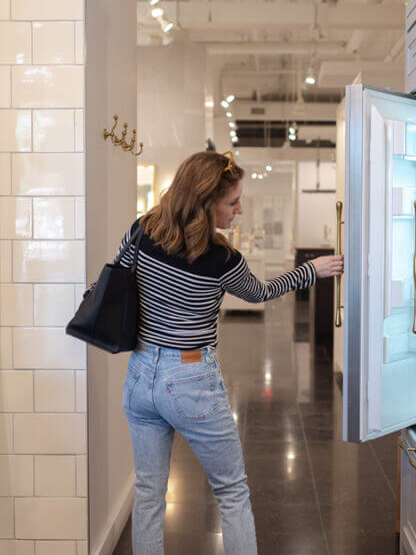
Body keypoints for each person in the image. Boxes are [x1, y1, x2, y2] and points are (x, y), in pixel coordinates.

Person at [114, 151, 344, 554]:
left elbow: (116, 275)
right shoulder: (222, 259)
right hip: (190, 380)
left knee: (149, 492)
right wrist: (313, 270)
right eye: (232, 202)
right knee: (233, 491)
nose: (239, 209)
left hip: (140, 373)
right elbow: (262, 292)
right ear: (205, 201)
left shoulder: (141, 231)